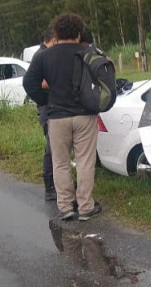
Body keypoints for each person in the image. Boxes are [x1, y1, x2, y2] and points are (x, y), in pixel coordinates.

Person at [25, 13, 103, 221]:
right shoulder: (87, 53)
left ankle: (66, 206)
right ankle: (86, 207)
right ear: (78, 33)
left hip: (57, 115)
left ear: (57, 33)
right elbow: (102, 78)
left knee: (60, 162)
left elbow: (29, 83)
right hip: (84, 114)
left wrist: (45, 100)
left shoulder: (44, 56)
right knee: (85, 161)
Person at [24, 28, 57, 201]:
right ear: (54, 40)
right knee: (52, 148)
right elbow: (43, 83)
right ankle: (50, 187)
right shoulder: (44, 55)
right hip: (47, 108)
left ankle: (56, 184)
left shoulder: (40, 53)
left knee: (54, 147)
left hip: (46, 107)